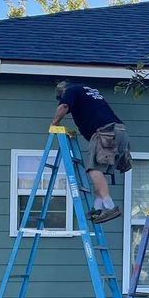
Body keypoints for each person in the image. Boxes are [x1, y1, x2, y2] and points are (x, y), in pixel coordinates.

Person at [51, 80, 132, 223]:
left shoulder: (72, 90)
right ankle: (97, 208)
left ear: (63, 92)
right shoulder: (89, 93)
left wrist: (54, 123)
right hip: (120, 132)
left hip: (104, 132)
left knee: (93, 170)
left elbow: (64, 106)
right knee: (98, 172)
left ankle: (109, 206)